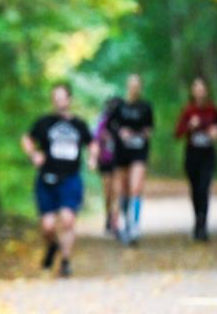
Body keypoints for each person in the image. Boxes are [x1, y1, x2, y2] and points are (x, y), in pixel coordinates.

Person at [21, 83, 98, 278]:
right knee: (47, 226)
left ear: (69, 99)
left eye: (62, 97)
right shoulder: (44, 122)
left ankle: (65, 261)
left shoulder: (78, 125)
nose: (58, 100)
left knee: (67, 219)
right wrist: (34, 155)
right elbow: (27, 139)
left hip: (70, 178)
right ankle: (53, 244)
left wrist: (92, 158)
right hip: (46, 180)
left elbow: (93, 143)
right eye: (55, 97)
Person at [174, 77, 217, 241]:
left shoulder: (213, 110)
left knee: (204, 188)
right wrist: (189, 126)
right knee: (195, 190)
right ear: (193, 92)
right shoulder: (188, 111)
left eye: (203, 88)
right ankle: (197, 221)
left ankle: (203, 225)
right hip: (192, 155)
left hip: (207, 155)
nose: (200, 92)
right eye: (197, 88)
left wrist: (216, 132)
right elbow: (178, 133)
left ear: (206, 91)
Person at [108, 74, 154, 245]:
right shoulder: (118, 105)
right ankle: (126, 221)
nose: (134, 88)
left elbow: (150, 128)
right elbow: (109, 126)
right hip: (122, 152)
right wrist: (120, 133)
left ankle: (135, 225)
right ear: (127, 86)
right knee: (124, 189)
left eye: (137, 85)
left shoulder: (145, 107)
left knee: (136, 188)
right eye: (131, 84)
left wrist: (142, 134)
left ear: (140, 87)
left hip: (139, 151)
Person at [94, 97, 122, 236]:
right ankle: (108, 216)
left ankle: (115, 222)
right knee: (108, 191)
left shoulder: (122, 122)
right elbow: (96, 139)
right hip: (105, 160)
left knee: (116, 191)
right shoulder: (102, 121)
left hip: (119, 161)